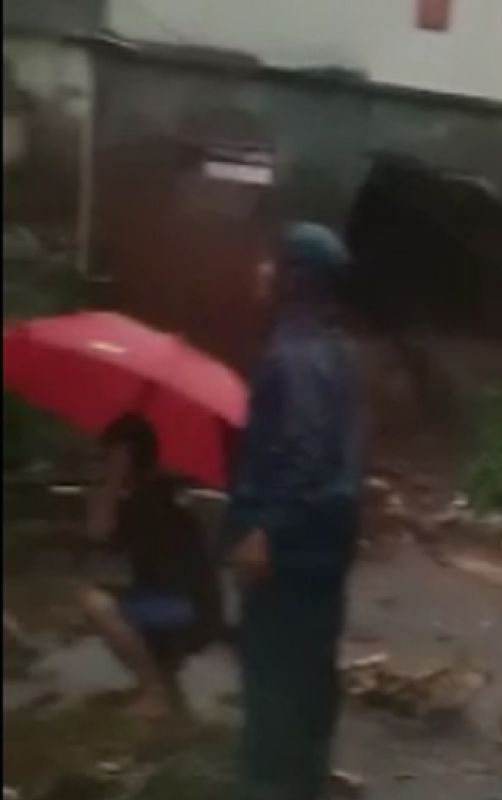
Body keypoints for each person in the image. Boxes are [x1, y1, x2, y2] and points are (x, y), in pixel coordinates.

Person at [225, 222, 364, 800]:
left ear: (294, 279)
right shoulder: (332, 351)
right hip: (322, 557)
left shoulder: (294, 356)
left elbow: (304, 455)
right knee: (308, 692)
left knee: (275, 700)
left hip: (290, 558)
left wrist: (263, 531)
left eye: (271, 262)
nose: (260, 270)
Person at [78, 413, 222, 719]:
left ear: (126, 457)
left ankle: (154, 693)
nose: (103, 462)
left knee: (94, 602)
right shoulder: (158, 493)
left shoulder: (148, 501)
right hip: (192, 607)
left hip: (184, 611)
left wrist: (112, 479)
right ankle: (165, 683)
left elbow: (97, 532)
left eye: (109, 456)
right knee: (130, 600)